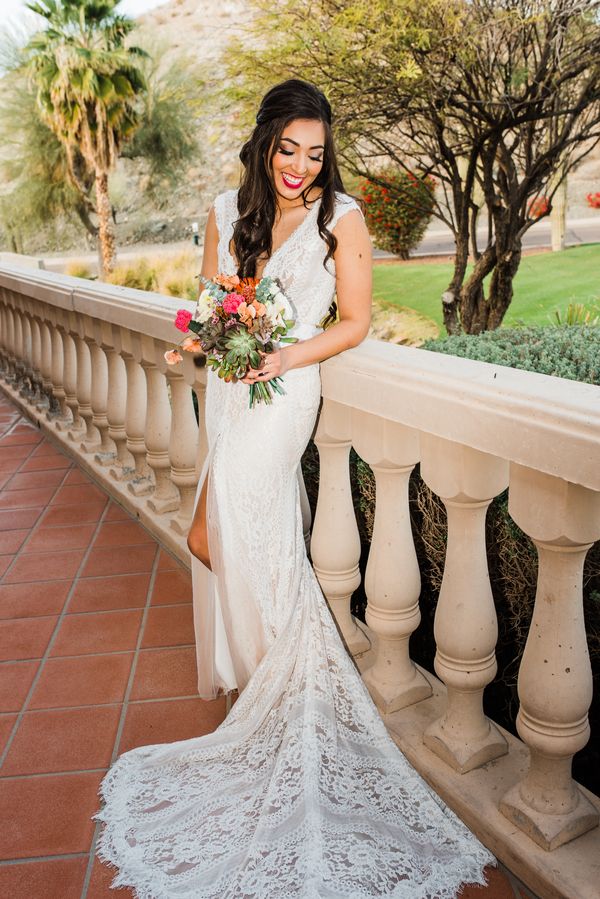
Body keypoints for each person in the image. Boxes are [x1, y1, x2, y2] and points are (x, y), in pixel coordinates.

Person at [95, 79, 495, 898]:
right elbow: (211, 306)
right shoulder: (221, 209)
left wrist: (285, 353)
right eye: (289, 149)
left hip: (286, 391)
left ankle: (285, 701)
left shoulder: (339, 217)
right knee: (226, 536)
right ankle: (267, 691)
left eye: (315, 153)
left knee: (235, 530)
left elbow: (354, 321)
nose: (301, 167)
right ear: (266, 141)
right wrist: (220, 333)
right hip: (235, 390)